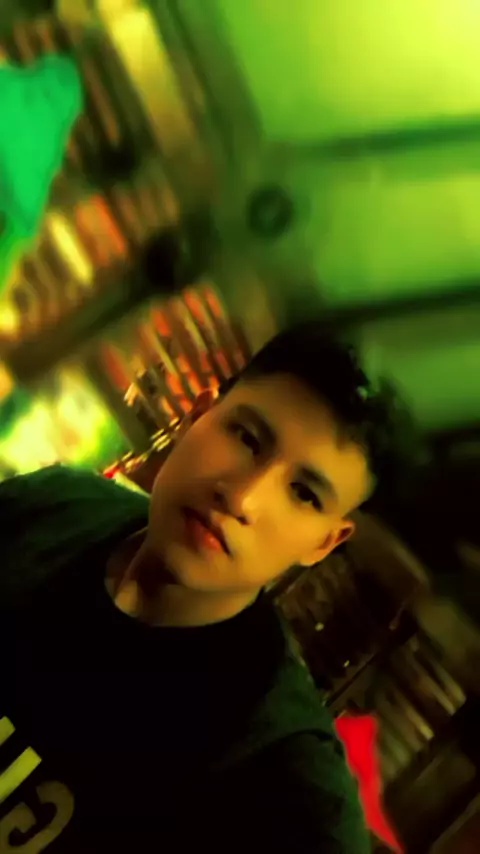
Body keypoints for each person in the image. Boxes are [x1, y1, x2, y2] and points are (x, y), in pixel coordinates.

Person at [0, 321, 404, 853]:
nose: (243, 498)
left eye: (304, 494)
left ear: (324, 542)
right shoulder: (55, 505)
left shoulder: (280, 783)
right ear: (197, 415)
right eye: (247, 438)